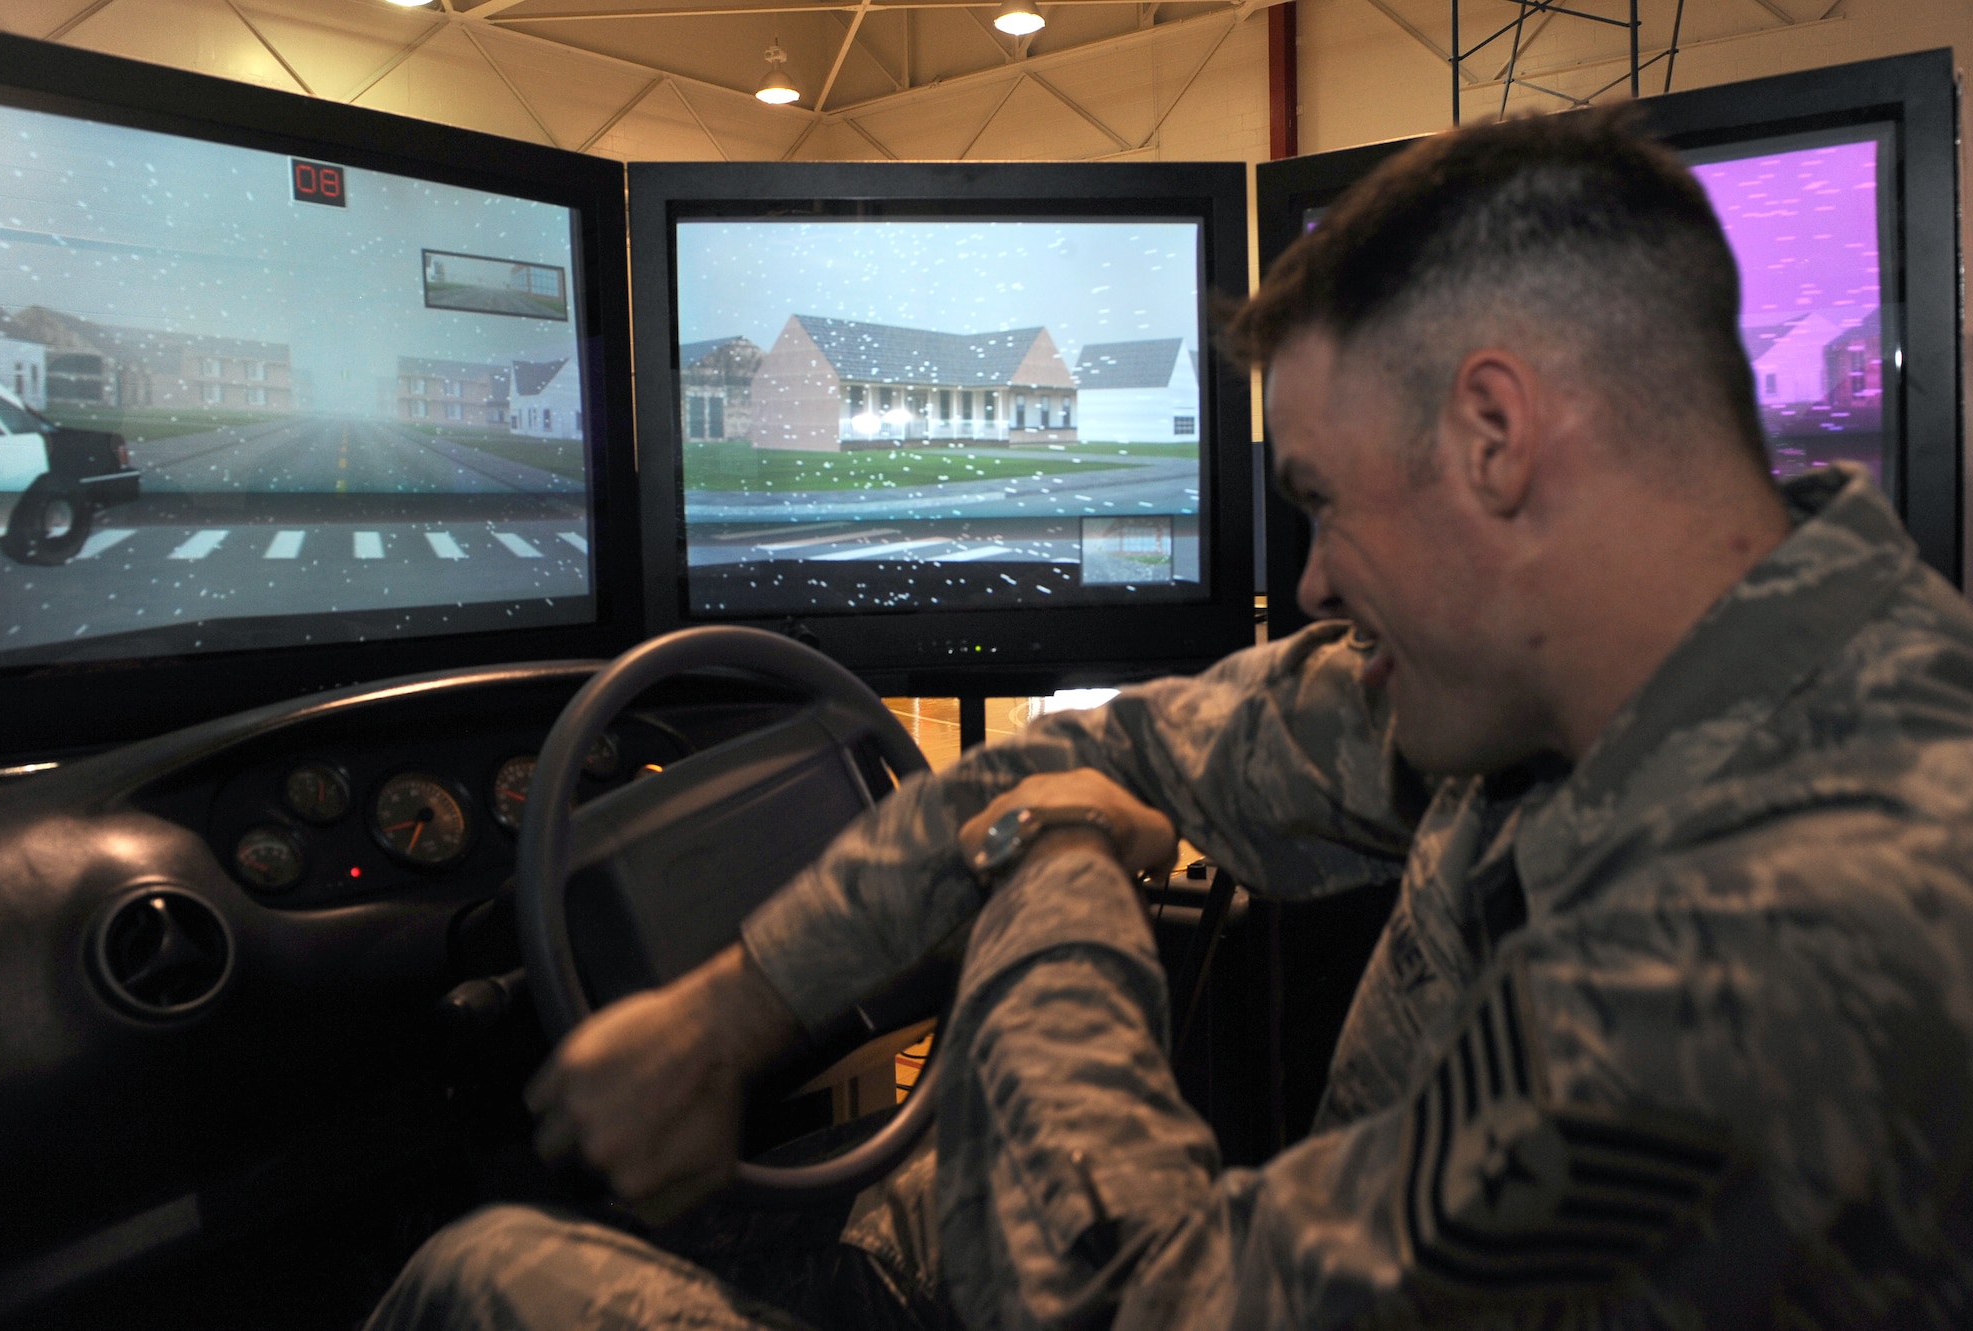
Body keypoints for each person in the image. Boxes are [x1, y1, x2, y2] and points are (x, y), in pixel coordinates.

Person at [369, 106, 1973, 1329]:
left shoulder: (1790, 940)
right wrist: (728, 1016)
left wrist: (1057, 870)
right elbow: (1109, 747)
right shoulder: (1566, 691)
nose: (1312, 579)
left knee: (488, 1269)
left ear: (1495, 436)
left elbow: (1126, 1302)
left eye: (1323, 500)